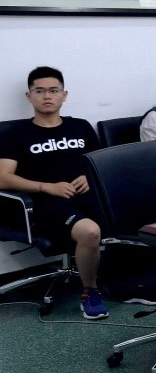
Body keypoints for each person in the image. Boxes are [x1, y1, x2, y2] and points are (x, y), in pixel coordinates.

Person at [0, 66, 106, 319]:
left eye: (53, 90)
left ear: (64, 95)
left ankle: (138, 281)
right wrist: (46, 186)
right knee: (90, 231)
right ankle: (90, 291)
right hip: (47, 205)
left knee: (140, 211)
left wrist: (89, 176)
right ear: (29, 96)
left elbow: (102, 162)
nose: (47, 96)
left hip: (87, 197)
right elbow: (3, 178)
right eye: (39, 91)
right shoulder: (16, 134)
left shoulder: (80, 127)